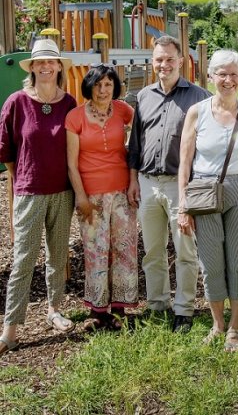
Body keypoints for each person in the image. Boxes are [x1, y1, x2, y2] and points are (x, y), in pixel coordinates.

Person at [178, 49, 238, 351]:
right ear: (210, 76)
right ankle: (217, 324)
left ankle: (234, 327)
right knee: (211, 261)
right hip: (204, 191)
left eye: (234, 74)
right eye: (222, 73)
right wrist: (183, 208)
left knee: (237, 260)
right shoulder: (197, 112)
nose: (228, 79)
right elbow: (185, 162)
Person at [127, 35, 211, 333]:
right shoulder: (143, 96)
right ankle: (157, 305)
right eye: (158, 59)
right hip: (148, 183)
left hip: (181, 185)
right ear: (153, 62)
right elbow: (135, 143)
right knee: (152, 251)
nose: (164, 64)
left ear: (181, 61)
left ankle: (184, 309)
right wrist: (133, 179)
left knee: (185, 250)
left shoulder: (200, 97)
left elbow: (208, 145)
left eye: (169, 59)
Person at [0, 38, 77, 356]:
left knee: (58, 258)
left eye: (51, 62)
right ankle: (10, 330)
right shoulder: (17, 102)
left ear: (59, 67)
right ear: (31, 68)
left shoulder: (69, 103)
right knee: (23, 262)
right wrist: (18, 181)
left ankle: (54, 310)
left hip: (62, 192)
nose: (45, 67)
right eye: (39, 63)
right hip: (29, 192)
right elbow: (6, 151)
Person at [66, 64, 138, 331]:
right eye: (98, 85)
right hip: (92, 195)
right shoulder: (75, 117)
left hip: (122, 191)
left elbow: (142, 135)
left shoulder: (123, 110)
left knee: (125, 248)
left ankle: (120, 307)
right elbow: (72, 164)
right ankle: (99, 310)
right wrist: (81, 197)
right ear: (89, 87)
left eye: (108, 84)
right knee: (96, 250)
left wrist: (135, 180)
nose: (103, 90)